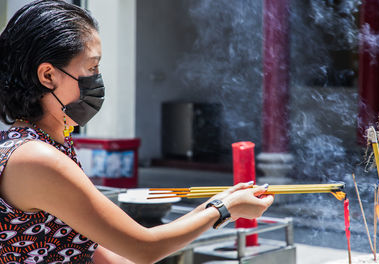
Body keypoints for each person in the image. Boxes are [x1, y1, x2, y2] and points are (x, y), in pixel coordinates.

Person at [0, 1, 274, 263]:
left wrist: (218, 203)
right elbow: (144, 248)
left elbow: (94, 250)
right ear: (48, 75)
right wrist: (225, 209)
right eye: (92, 67)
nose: (98, 79)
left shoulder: (52, 144)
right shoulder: (35, 157)